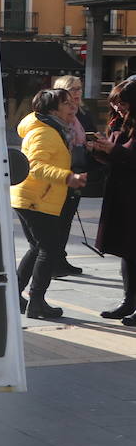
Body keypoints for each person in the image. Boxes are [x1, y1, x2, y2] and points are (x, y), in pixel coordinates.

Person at [12, 88, 87, 319]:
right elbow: (36, 166)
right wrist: (67, 177)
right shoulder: (44, 132)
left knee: (39, 247)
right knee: (49, 248)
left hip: (35, 197)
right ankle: (36, 302)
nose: (72, 106)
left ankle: (15, 297)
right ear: (52, 109)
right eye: (66, 103)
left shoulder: (54, 129)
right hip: (36, 198)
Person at [88, 80, 136, 323]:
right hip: (122, 195)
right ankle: (129, 301)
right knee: (128, 252)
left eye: (123, 103)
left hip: (130, 195)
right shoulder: (119, 122)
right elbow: (117, 156)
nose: (118, 108)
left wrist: (112, 151)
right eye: (115, 103)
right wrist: (98, 149)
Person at [50, 75, 93, 277]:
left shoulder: (83, 113)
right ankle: (51, 262)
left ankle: (60, 258)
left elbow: (90, 133)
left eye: (79, 88)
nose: (77, 93)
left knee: (67, 219)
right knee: (57, 221)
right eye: (72, 89)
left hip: (77, 170)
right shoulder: (54, 116)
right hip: (59, 174)